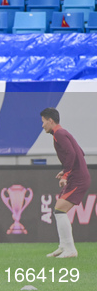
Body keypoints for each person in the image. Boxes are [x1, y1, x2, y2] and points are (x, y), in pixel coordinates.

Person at [41, 107, 90, 258]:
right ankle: (63, 246)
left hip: (78, 179)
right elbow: (79, 152)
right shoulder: (62, 133)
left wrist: (66, 174)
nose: (42, 125)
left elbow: (72, 153)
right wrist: (66, 171)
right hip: (77, 175)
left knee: (59, 210)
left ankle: (70, 250)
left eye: (43, 122)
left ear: (50, 120)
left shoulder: (59, 134)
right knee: (58, 210)